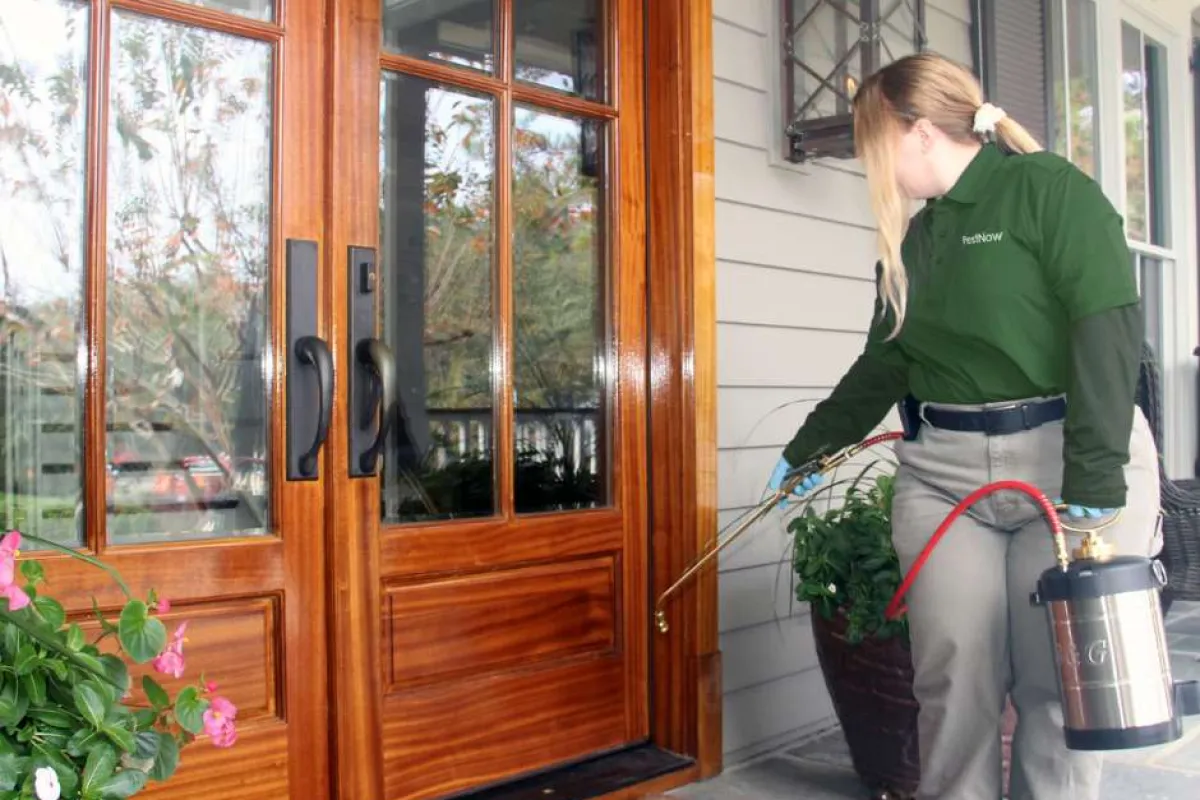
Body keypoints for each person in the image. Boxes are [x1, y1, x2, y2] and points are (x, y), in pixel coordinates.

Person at [767, 52, 1161, 800]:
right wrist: (807, 450)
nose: (868, 165)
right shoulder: (916, 241)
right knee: (953, 684)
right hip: (944, 479)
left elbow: (1105, 335)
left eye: (872, 144)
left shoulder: (1048, 191)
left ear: (918, 133)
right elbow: (882, 367)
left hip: (1063, 460)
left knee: (1055, 686)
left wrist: (1097, 475)